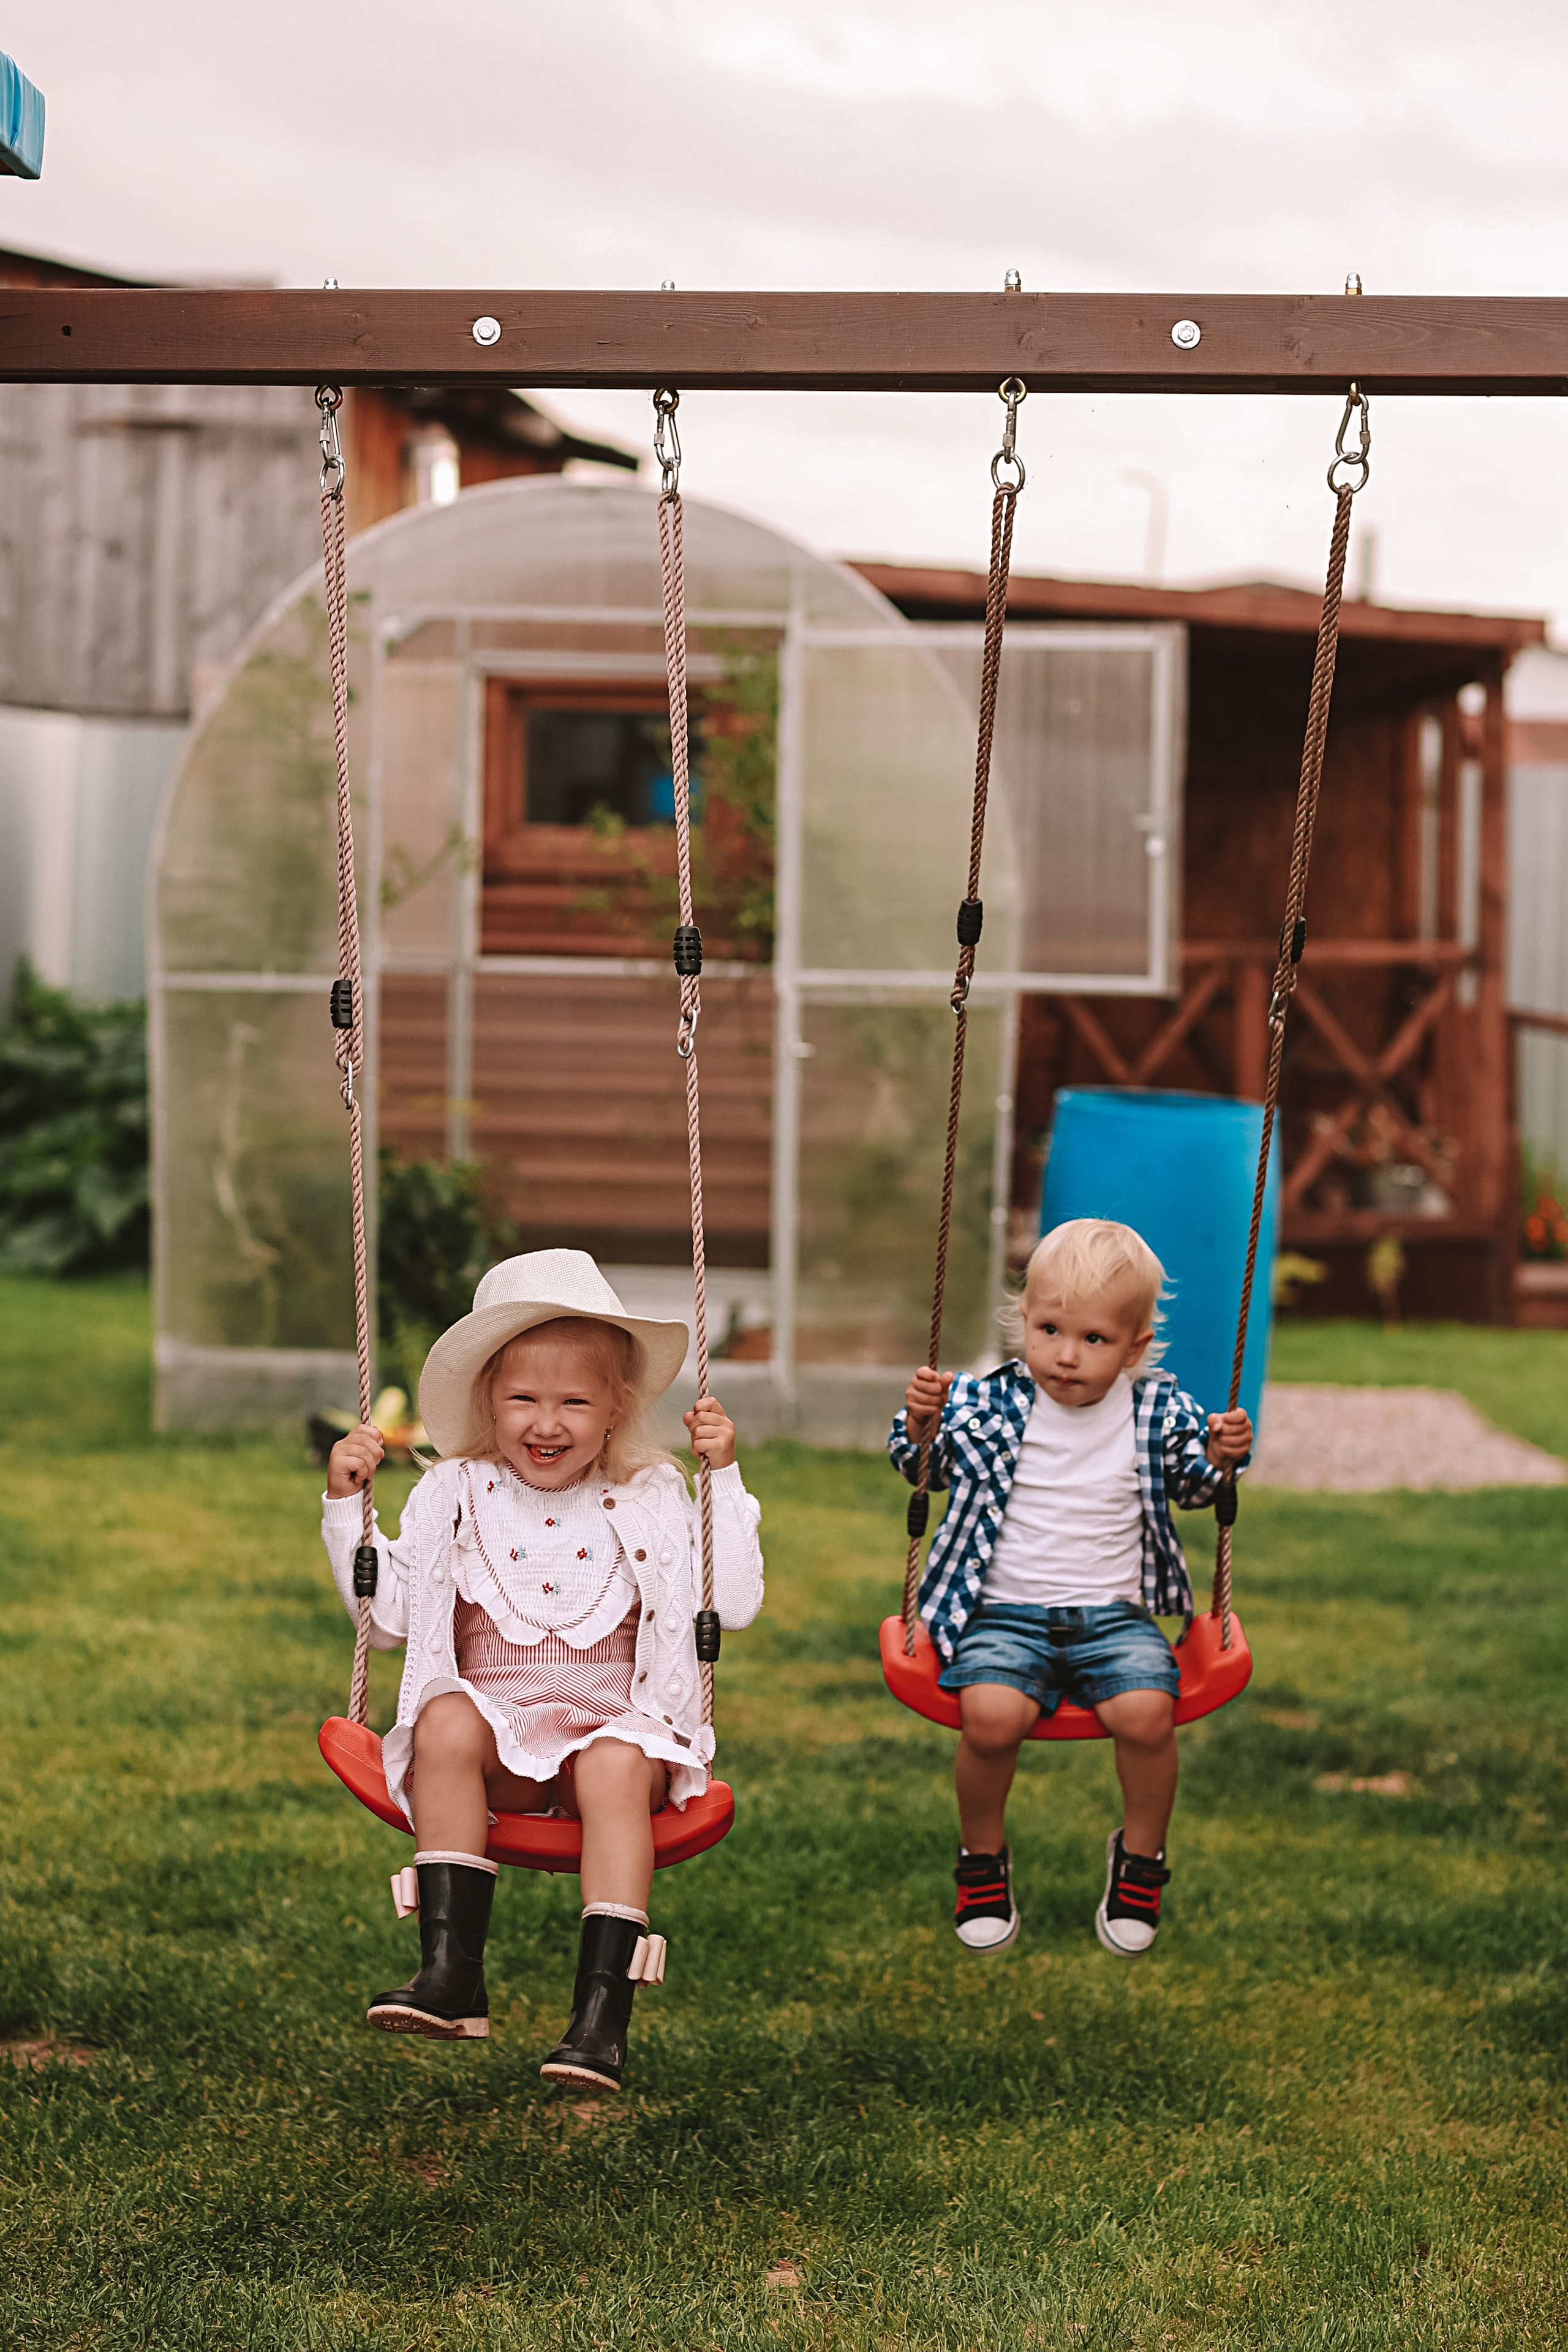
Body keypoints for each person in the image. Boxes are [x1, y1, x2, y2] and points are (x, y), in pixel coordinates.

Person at [322, 1250, 763, 2090]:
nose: (546, 1423)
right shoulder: (456, 1489)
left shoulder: (652, 1493)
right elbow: (387, 1621)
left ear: (615, 1409)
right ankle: (452, 1977)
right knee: (446, 1717)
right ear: (488, 1398)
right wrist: (349, 1510)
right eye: (523, 1398)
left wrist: (723, 1477)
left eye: (574, 1402)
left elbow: (731, 1602)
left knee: (613, 1763)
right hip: (499, 1750)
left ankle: (602, 2019)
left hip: (612, 1734)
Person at [889, 1218, 1251, 1961]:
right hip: (1001, 1613)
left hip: (1113, 1617)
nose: (1065, 1354)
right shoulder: (988, 1402)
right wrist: (921, 1426)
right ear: (1023, 1319)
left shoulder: (1157, 1410)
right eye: (1049, 1328)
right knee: (989, 1719)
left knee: (1149, 1715)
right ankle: (981, 1861)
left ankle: (1140, 1863)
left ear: (1134, 1348)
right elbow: (923, 1463)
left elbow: (1195, 1484)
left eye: (1093, 1339)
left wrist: (1219, 1456)